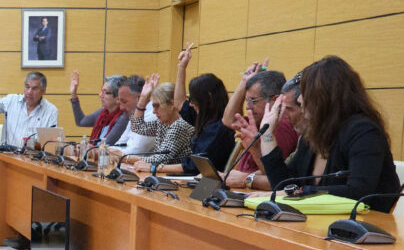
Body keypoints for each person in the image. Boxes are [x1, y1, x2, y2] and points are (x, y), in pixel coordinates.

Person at [256, 56, 400, 211]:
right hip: (320, 222)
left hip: (366, 223)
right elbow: (283, 186)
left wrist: (302, 192)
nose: (300, 99)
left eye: (305, 92)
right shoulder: (312, 135)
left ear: (324, 98)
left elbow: (358, 193)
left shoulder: (364, 132)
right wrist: (267, 135)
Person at [148, 45, 236, 175]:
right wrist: (181, 67)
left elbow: (193, 167)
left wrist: (154, 168)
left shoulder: (217, 129)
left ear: (208, 98)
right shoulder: (202, 117)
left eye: (193, 99)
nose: (190, 104)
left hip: (204, 182)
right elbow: (179, 103)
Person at [222, 61, 298, 189]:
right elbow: (229, 120)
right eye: (247, 100)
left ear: (275, 100)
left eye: (253, 100)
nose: (248, 106)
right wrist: (244, 81)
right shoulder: (258, 120)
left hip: (256, 192)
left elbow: (276, 176)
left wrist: (244, 178)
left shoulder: (282, 126)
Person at [122, 76, 194, 171]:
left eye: (157, 106)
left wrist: (125, 157)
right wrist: (143, 100)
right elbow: (137, 127)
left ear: (172, 104)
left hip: (178, 177)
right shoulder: (164, 122)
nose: (154, 111)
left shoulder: (181, 124)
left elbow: (159, 159)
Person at [0, 70, 59, 148]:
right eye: (27, 87)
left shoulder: (51, 111)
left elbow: (51, 145)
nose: (29, 92)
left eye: (34, 88)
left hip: (35, 157)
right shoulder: (11, 100)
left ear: (43, 91)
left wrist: (34, 145)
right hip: (8, 155)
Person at [69, 71, 126, 146]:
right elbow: (81, 121)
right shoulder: (104, 112)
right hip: (96, 152)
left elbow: (106, 144)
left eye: (105, 92)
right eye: (101, 91)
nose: (100, 95)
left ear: (118, 98)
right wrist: (73, 95)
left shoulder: (123, 117)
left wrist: (86, 147)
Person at [108, 75, 157, 157]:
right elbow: (120, 144)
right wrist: (103, 150)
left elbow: (134, 152)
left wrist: (104, 151)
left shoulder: (153, 115)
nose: (121, 108)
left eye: (124, 102)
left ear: (139, 98)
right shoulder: (134, 113)